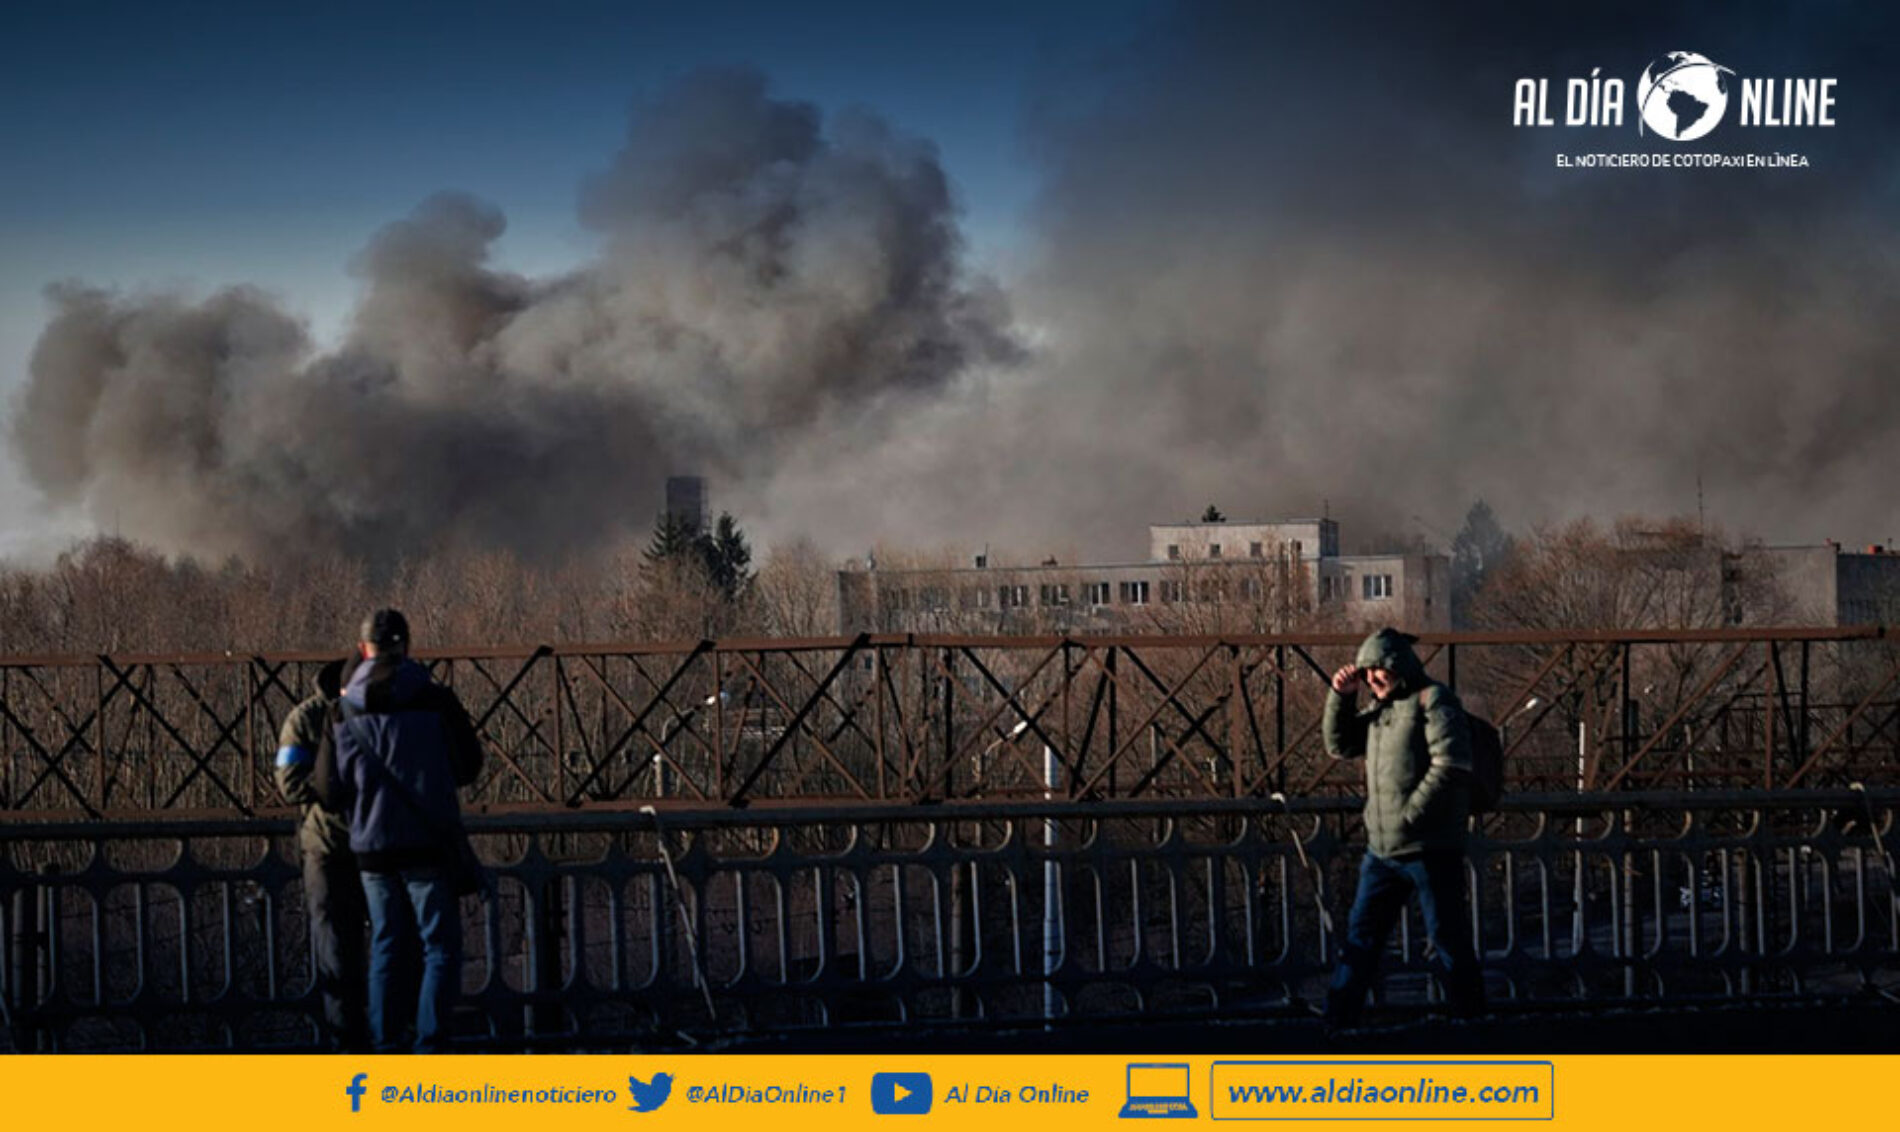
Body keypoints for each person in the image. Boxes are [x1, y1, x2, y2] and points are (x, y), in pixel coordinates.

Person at [317, 609, 483, 1053]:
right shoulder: (436, 701)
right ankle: (429, 1049)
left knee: (387, 945)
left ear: (362, 649)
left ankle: (385, 1050)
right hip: (427, 845)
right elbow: (468, 766)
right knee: (441, 948)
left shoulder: (341, 709)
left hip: (371, 846)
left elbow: (327, 790)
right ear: (407, 646)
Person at [1322, 627, 1484, 1026]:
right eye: (1367, 673)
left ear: (1399, 667)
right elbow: (1339, 745)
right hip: (1383, 850)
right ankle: (1338, 1022)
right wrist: (1340, 698)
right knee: (1361, 939)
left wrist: (1410, 816)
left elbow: (1453, 764)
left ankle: (1472, 1020)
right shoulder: (1381, 711)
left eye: (1379, 670)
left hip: (1430, 847)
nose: (1373, 679)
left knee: (1446, 941)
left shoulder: (1433, 701)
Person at [274, 656, 369, 1051]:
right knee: (346, 958)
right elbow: (291, 783)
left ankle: (360, 1051)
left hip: (345, 848)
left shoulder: (308, 718)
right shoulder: (310, 718)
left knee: (345, 955)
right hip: (340, 849)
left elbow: (291, 782)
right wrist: (338, 785)